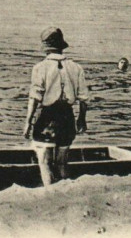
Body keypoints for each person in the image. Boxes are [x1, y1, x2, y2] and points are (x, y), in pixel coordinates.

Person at [23, 27, 89, 186]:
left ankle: (50, 193)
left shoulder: (40, 68)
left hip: (48, 117)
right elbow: (84, 99)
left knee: (44, 162)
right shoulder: (76, 67)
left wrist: (28, 122)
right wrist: (81, 119)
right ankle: (65, 191)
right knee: (62, 162)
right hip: (67, 118)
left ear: (46, 48)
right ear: (61, 46)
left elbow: (35, 98)